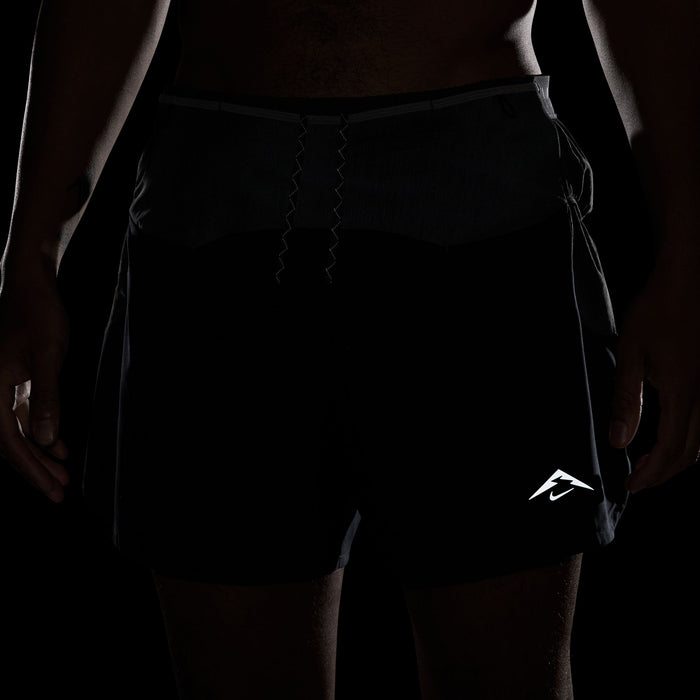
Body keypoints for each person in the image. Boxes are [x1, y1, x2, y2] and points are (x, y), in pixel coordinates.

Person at [1, 1, 698, 698]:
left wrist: (686, 267)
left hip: (482, 205)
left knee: (505, 679)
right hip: (220, 206)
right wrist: (29, 257)